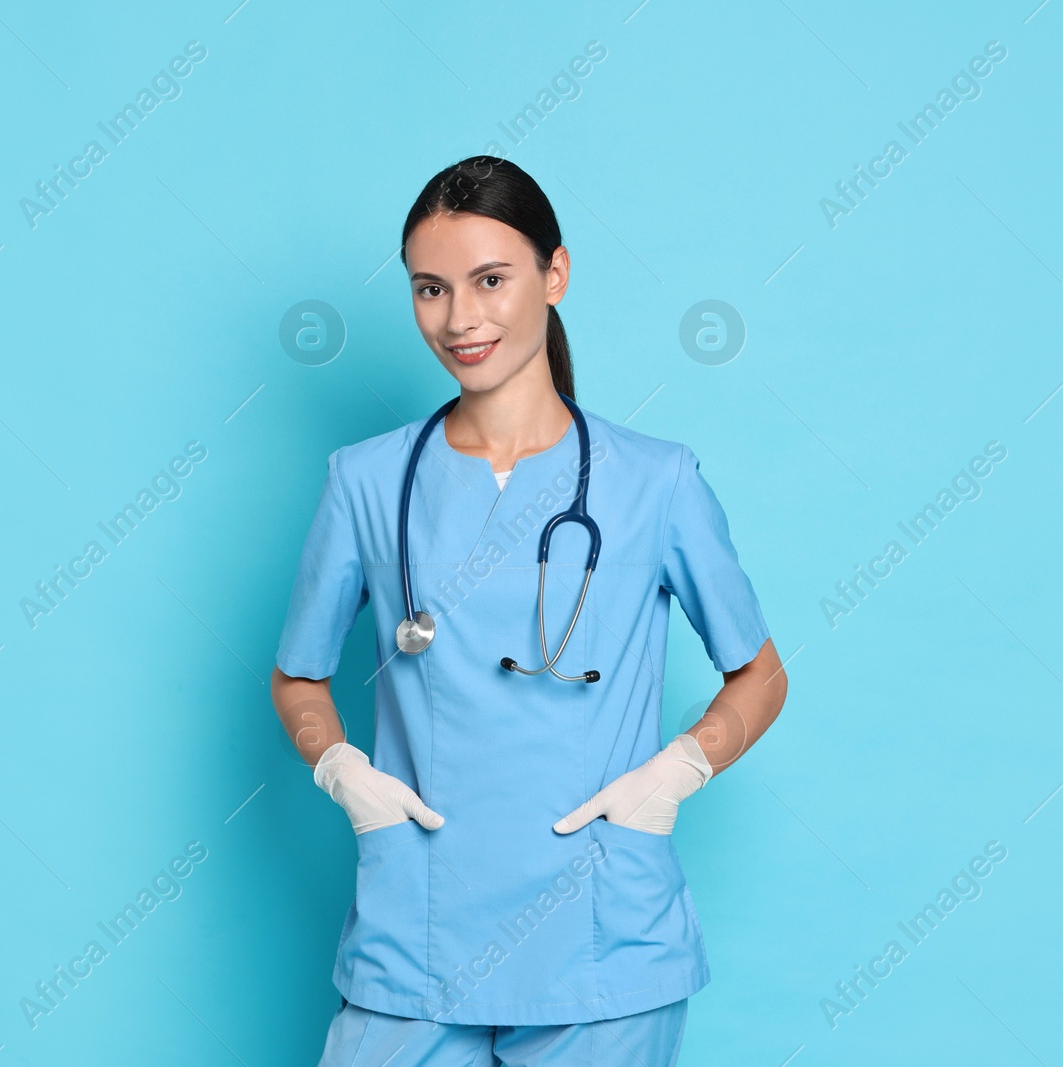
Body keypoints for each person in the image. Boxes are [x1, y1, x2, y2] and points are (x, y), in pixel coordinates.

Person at [271, 155, 787, 1067]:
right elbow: (298, 675)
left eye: (490, 280)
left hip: (604, 939)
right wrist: (342, 770)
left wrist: (675, 774)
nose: (460, 318)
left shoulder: (656, 480)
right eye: (431, 289)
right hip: (415, 928)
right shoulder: (365, 480)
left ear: (555, 275)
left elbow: (760, 673)